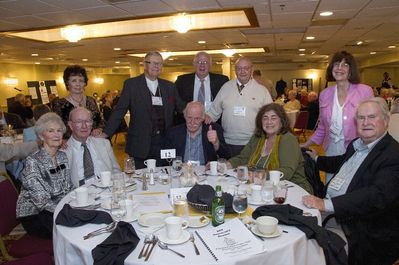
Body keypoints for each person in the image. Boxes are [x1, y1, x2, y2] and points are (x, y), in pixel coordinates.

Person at [302, 97, 399, 265]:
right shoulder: (357, 143)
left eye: (372, 117)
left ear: (385, 120)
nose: (366, 122)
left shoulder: (393, 155)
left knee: (309, 253)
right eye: (361, 118)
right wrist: (317, 159)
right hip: (332, 212)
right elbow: (342, 162)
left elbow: (377, 195)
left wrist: (327, 205)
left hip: (359, 227)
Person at [97, 51, 185, 169]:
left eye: (159, 64)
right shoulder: (132, 85)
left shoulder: (169, 86)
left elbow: (181, 107)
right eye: (153, 63)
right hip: (140, 144)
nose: (156, 66)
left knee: (165, 177)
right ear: (144, 65)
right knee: (141, 180)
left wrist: (199, 113)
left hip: (165, 143)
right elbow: (120, 110)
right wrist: (106, 133)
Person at [301, 51, 373, 181]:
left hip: (357, 149)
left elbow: (371, 123)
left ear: (351, 70)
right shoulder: (325, 94)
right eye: (336, 64)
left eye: (345, 65)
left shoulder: (364, 91)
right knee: (332, 186)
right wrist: (305, 144)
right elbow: (322, 127)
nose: (340, 68)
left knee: (353, 186)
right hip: (332, 149)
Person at [227, 103, 312, 193]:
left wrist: (258, 176)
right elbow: (242, 158)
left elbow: (287, 171)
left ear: (282, 121)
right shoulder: (257, 138)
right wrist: (225, 165)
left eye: (273, 118)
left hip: (292, 189)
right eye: (265, 118)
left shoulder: (288, 139)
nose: (269, 122)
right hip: (262, 187)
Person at [16, 113, 74, 239]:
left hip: (57, 207)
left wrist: (78, 201)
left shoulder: (62, 156)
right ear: (42, 136)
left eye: (59, 131)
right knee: (72, 228)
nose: (57, 134)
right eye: (51, 131)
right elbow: (41, 201)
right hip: (35, 214)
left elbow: (68, 187)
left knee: (82, 217)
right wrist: (68, 211)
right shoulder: (33, 161)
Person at [205, 57, 273, 156]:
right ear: (235, 70)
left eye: (246, 68)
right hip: (227, 143)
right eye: (239, 68)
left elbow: (270, 116)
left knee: (250, 171)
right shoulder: (225, 87)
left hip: (253, 143)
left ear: (251, 70)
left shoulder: (262, 91)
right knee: (228, 170)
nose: (242, 71)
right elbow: (213, 112)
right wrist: (203, 118)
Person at [64, 107, 120, 187]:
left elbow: (116, 171)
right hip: (79, 194)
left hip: (106, 190)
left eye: (87, 121)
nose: (84, 126)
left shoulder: (103, 144)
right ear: (70, 125)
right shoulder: (63, 151)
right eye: (79, 122)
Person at [164, 101, 230, 165]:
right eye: (189, 118)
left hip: (205, 172)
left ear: (203, 118)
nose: (192, 122)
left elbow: (226, 156)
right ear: (185, 116)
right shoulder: (174, 133)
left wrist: (216, 143)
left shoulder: (214, 129)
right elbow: (165, 160)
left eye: (197, 118)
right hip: (182, 172)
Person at [52, 65, 102, 138]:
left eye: (81, 80)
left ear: (85, 83)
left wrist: (99, 129)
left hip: (93, 141)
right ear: (67, 83)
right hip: (69, 144)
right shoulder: (59, 104)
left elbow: (100, 121)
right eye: (74, 80)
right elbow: (55, 127)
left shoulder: (91, 100)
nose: (78, 84)